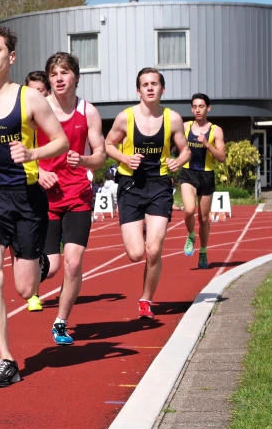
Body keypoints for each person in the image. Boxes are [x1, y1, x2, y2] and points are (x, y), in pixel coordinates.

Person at [0, 25, 68, 388]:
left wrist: (33, 152)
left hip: (25, 197)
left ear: (11, 57)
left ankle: (39, 259)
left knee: (25, 290)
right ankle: (7, 360)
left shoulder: (31, 99)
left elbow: (61, 142)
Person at [25, 52, 106, 347]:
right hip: (44, 197)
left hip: (78, 196)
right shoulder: (37, 110)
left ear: (76, 77)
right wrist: (38, 172)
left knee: (73, 263)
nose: (58, 78)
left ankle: (60, 321)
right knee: (53, 266)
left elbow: (100, 155)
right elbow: (19, 151)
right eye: (54, 74)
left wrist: (84, 159)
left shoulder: (89, 112)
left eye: (64, 72)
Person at [104, 67, 190, 319]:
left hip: (159, 185)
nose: (150, 88)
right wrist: (125, 157)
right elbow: (108, 144)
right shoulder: (124, 118)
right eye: (145, 84)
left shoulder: (172, 118)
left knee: (154, 249)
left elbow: (185, 150)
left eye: (154, 84)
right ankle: (142, 227)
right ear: (138, 90)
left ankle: (145, 300)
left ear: (163, 89)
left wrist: (179, 161)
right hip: (131, 186)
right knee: (136, 254)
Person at [180, 93, 226, 269]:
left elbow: (222, 157)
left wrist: (207, 144)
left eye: (201, 106)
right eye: (195, 106)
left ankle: (203, 251)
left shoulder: (216, 130)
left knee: (204, 218)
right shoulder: (185, 126)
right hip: (188, 173)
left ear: (208, 108)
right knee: (189, 210)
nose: (197, 110)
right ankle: (191, 235)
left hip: (206, 175)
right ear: (191, 109)